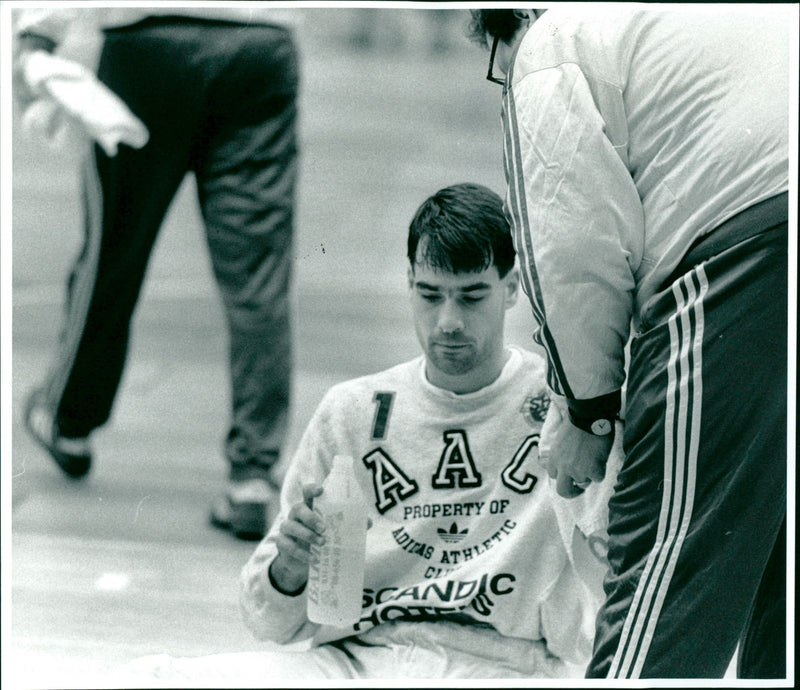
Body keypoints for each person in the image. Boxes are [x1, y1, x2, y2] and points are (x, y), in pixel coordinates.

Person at [117, 183, 621, 683]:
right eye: (430, 294)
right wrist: (288, 570)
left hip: (505, 666)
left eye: (471, 296)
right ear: (408, 283)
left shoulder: (565, 411)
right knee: (148, 679)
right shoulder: (353, 413)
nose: (448, 321)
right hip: (358, 664)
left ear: (511, 288)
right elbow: (269, 622)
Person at [468, 6, 790, 679]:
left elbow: (571, 250)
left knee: (665, 584)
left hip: (759, 255)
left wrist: (588, 410)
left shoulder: (553, 40)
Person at [13, 6, 300, 540]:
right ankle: (253, 477)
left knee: (113, 251)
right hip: (263, 42)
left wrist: (38, 31)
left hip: (149, 44)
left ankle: (68, 422)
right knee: (258, 277)